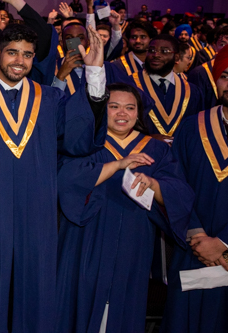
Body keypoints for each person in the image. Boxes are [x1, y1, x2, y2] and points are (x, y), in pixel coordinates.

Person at [0, 23, 108, 333]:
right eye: (12, 52)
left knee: (37, 280)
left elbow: (79, 136)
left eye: (27, 55)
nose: (19, 61)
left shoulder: (49, 99)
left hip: (35, 204)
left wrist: (96, 72)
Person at [56, 84, 193, 333]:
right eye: (114, 106)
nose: (122, 113)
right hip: (86, 238)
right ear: (101, 110)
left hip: (134, 239)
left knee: (124, 306)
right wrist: (119, 165)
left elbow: (180, 194)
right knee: (79, 302)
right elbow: (67, 181)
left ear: (138, 113)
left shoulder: (156, 149)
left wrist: (154, 184)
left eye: (130, 108)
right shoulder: (86, 144)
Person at [161, 45, 228, 333]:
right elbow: (176, 184)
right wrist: (197, 234)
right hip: (195, 248)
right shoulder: (192, 127)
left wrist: (224, 244)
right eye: (225, 75)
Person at [130, 34, 203, 139]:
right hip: (140, 152)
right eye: (151, 50)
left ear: (177, 57)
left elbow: (196, 130)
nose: (156, 55)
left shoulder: (192, 92)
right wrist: (147, 139)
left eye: (164, 51)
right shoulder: (130, 85)